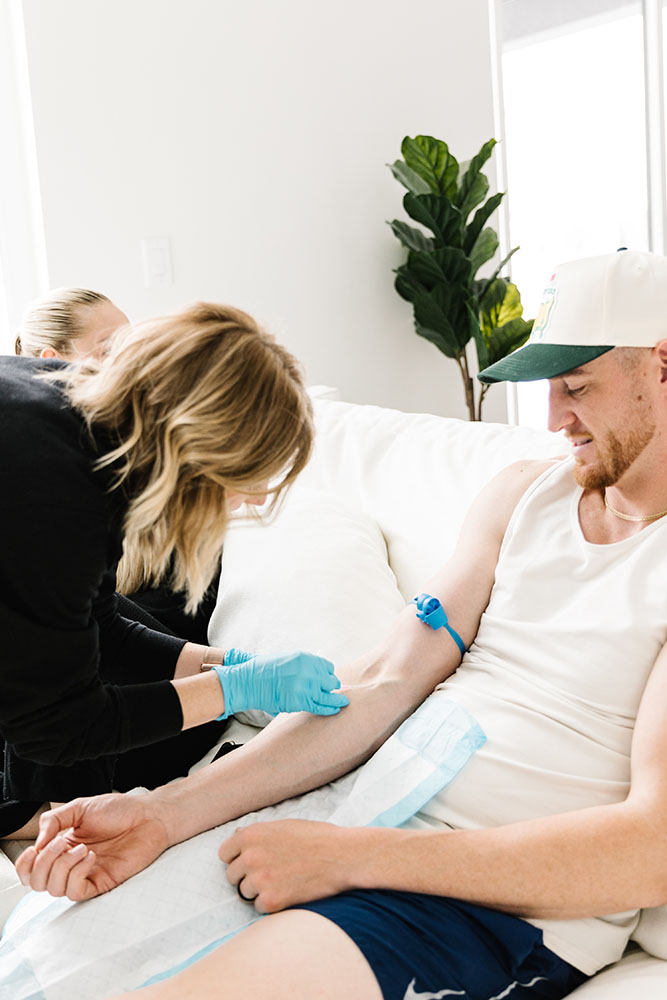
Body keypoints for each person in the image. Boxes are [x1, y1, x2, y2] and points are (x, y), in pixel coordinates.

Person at [16, 250, 667, 1000]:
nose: (553, 420)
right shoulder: (523, 495)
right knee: (53, 958)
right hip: (366, 814)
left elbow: (649, 849)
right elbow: (387, 680)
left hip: (488, 903)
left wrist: (352, 858)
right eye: (547, 387)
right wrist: (160, 814)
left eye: (575, 387)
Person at [0, 301, 349, 840]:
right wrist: (236, 689)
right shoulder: (61, 494)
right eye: (247, 475)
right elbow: (59, 728)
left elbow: (98, 622)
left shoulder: (71, 409)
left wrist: (221, 664)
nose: (252, 499)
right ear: (198, 449)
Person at [15, 286, 220, 645]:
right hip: (108, 644)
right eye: (109, 348)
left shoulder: (153, 434)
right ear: (54, 360)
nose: (131, 361)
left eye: (131, 344)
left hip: (165, 636)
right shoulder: (46, 458)